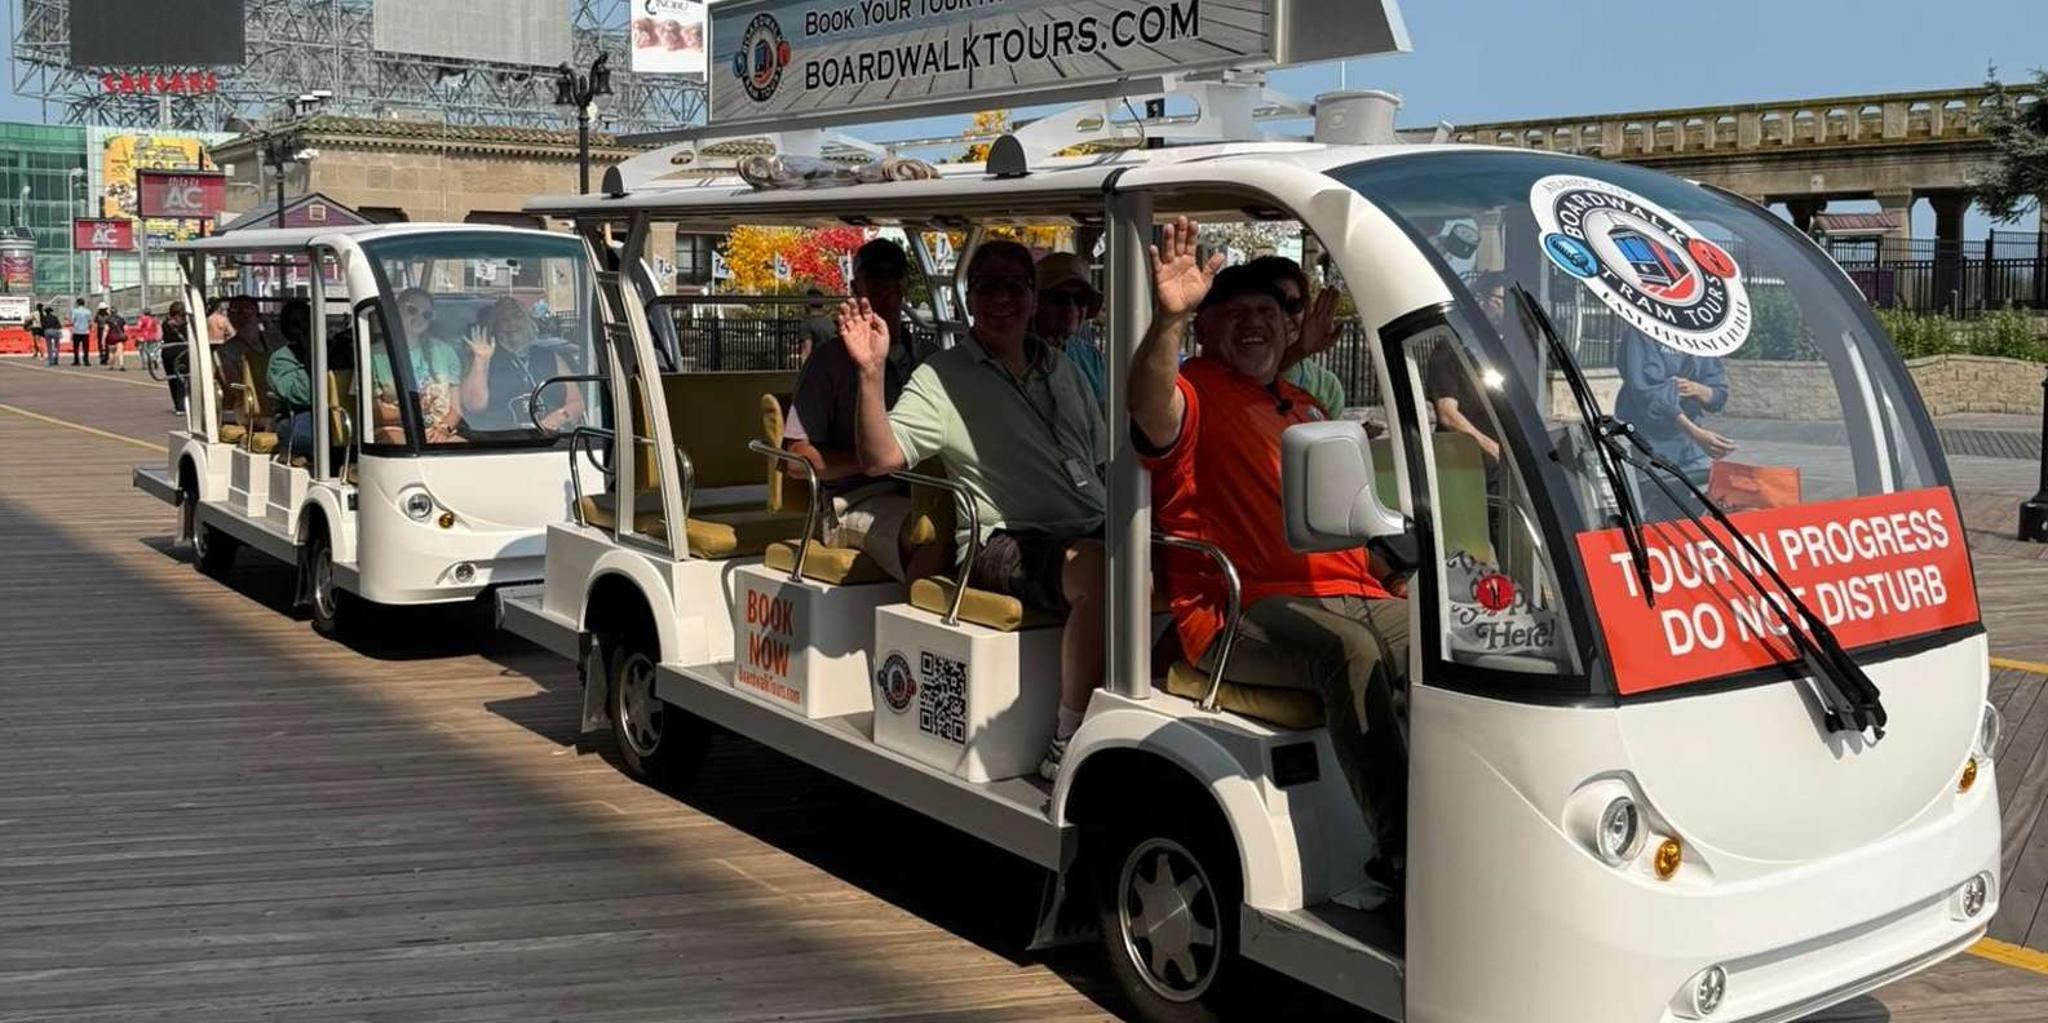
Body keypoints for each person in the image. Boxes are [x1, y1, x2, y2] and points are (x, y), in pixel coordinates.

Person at [1132, 218, 1409, 905]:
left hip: (1352, 589)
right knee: (1348, 653)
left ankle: (1471, 823)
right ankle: (1405, 853)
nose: (1253, 324)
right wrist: (1168, 320)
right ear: (1205, 327)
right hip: (1242, 611)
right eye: (1234, 313)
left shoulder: (1299, 398)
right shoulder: (1193, 388)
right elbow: (1150, 404)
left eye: (1267, 313)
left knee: (1461, 635)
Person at [843, 240, 1107, 781]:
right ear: (970, 300)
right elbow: (880, 458)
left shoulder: (1064, 368)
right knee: (1102, 571)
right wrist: (870, 374)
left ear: (1032, 298)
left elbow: (1100, 462)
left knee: (1187, 557)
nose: (1000, 299)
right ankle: (1068, 739)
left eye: (1014, 286)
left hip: (1085, 525)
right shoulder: (942, 376)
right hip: (1003, 541)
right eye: (986, 287)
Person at [784, 239, 932, 581]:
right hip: (852, 500)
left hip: (925, 491)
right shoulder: (828, 363)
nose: (887, 286)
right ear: (855, 287)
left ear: (905, 284)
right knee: (925, 534)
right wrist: (874, 461)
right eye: (875, 276)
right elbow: (796, 460)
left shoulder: (927, 357)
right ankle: (918, 631)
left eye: (895, 275)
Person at [1613, 333, 1734, 513]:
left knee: (1702, 508)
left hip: (1690, 448)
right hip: (1648, 444)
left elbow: (1718, 395)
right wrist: (1694, 432)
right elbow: (1650, 395)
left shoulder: (1701, 335)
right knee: (1653, 510)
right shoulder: (1641, 334)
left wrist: (1699, 390)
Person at [459, 296, 583, 434]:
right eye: (504, 320)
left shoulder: (550, 357)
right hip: (501, 443)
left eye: (517, 317)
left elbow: (577, 403)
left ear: (529, 322)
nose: (511, 323)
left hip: (551, 440)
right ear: (495, 327)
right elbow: (474, 405)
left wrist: (560, 416)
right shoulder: (483, 357)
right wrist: (481, 359)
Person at [1425, 272, 1511, 463]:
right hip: (1467, 463)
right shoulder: (1450, 349)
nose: (1507, 308)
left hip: (1505, 465)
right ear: (1481, 301)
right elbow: (1448, 414)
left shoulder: (1509, 351)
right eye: (1500, 300)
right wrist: (1491, 448)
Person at [1247, 255, 1347, 416]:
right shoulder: (1233, 368)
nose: (1283, 317)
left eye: (1293, 305)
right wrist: (1299, 351)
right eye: (1269, 307)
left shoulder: (1326, 386)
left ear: (1306, 308)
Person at [373, 287, 466, 444]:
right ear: (395, 311)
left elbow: (456, 409)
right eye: (412, 310)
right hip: (395, 430)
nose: (419, 317)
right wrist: (412, 410)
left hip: (439, 431)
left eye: (427, 314)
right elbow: (370, 413)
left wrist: (444, 429)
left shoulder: (446, 351)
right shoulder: (373, 355)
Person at [1033, 252, 1108, 407]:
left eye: (1081, 299)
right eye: (1060, 298)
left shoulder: (1093, 359)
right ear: (1036, 302)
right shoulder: (1016, 356)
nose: (1072, 309)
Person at [266, 300, 318, 457]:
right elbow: (302, 396)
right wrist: (310, 356)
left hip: (329, 414)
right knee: (319, 431)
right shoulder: (280, 359)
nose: (303, 327)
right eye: (296, 324)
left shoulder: (330, 348)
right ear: (286, 329)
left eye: (307, 321)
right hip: (294, 418)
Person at [162, 301, 192, 415]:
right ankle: (181, 406)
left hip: (168, 352)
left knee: (173, 379)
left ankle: (178, 405)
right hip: (180, 352)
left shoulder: (165, 322)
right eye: (183, 315)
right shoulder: (183, 325)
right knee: (181, 379)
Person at [69, 298, 91, 366]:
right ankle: (86, 360)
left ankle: (76, 360)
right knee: (86, 347)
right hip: (85, 331)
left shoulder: (75, 311)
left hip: (77, 331)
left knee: (76, 347)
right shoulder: (88, 311)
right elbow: (90, 321)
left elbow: (72, 321)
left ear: (77, 303)